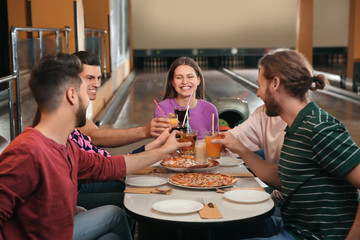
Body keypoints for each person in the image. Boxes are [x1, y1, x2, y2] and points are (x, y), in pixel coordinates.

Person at [0, 52, 191, 239]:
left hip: (63, 230)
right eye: (86, 87)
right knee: (115, 214)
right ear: (72, 95)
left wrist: (163, 150)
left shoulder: (67, 147)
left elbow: (109, 166)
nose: (95, 90)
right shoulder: (27, 151)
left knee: (113, 226)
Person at [212, 49, 360, 239]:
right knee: (217, 227)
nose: (257, 93)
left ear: (275, 83)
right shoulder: (295, 126)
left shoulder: (319, 128)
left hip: (312, 236)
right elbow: (283, 177)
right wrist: (240, 149)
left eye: (259, 86)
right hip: (293, 225)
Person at [154, 57, 219, 139]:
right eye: (179, 77)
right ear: (172, 82)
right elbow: (159, 147)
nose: (184, 82)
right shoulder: (162, 109)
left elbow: (215, 144)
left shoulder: (211, 109)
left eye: (190, 76)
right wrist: (170, 129)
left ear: (198, 80)